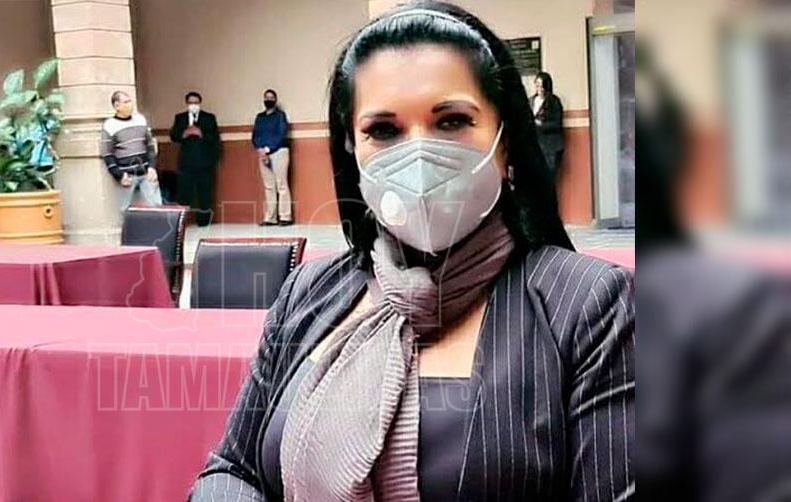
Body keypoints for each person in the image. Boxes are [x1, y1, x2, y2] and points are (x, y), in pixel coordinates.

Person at [190, 2, 634, 501]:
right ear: (352, 150)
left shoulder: (588, 306)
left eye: (452, 121)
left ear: (505, 141)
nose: (418, 155)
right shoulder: (308, 293)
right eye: (384, 131)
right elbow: (232, 468)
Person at [101, 91, 162, 212]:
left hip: (146, 172)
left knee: (156, 208)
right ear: (117, 106)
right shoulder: (110, 125)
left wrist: (152, 167)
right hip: (126, 175)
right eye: (125, 102)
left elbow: (150, 146)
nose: (129, 105)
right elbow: (107, 153)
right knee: (127, 210)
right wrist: (119, 174)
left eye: (130, 101)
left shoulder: (140, 120)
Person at [170, 91, 220, 226]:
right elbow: (174, 136)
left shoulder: (209, 118)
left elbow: (215, 138)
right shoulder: (180, 118)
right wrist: (184, 134)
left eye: (196, 102)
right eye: (191, 102)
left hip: (204, 162)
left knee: (205, 193)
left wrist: (201, 133)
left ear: (200, 103)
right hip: (186, 162)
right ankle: (182, 222)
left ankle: (204, 221)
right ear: (187, 103)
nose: (193, 105)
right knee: (184, 193)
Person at [252, 89, 292, 226]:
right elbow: (255, 136)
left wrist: (268, 148)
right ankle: (270, 218)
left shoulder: (280, 115)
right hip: (263, 153)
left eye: (271, 97)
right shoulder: (260, 117)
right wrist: (260, 149)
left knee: (281, 184)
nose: (268, 100)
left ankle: (285, 217)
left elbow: (281, 134)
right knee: (269, 186)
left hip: (279, 151)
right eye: (266, 97)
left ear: (275, 100)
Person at [531, 71, 565, 181]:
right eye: (537, 85)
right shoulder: (531, 101)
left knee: (549, 178)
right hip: (536, 145)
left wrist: (540, 124)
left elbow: (557, 124)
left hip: (551, 147)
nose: (539, 89)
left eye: (542, 86)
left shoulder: (554, 102)